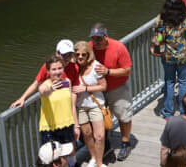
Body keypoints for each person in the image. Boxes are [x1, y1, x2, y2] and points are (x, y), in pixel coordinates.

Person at [89, 24, 134, 161]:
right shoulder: (89, 48)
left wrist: (108, 71)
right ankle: (105, 144)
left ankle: (125, 142)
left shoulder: (118, 47)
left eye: (98, 39)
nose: (96, 42)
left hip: (117, 87)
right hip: (98, 89)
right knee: (100, 117)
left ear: (106, 37)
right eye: (93, 39)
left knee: (123, 115)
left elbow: (127, 70)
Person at [153, 0, 186, 118]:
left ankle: (168, 111)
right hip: (184, 56)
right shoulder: (185, 20)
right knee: (183, 82)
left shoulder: (162, 20)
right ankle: (183, 110)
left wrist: (161, 41)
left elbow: (157, 35)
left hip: (167, 56)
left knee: (169, 81)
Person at [11, 39, 80, 108]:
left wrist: (72, 107)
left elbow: (74, 90)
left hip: (66, 106)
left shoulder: (75, 67)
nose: (67, 58)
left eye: (70, 55)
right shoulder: (47, 67)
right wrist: (22, 98)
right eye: (64, 55)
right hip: (50, 106)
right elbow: (36, 84)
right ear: (57, 53)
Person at [37, 55, 78, 161]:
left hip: (67, 125)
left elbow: (71, 105)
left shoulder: (67, 82)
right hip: (50, 128)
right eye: (54, 69)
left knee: (68, 154)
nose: (57, 72)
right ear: (48, 71)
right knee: (53, 158)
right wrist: (51, 89)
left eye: (60, 68)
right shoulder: (45, 85)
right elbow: (43, 92)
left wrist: (76, 126)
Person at [74, 40, 108, 167]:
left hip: (95, 105)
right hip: (80, 106)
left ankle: (99, 163)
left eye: (83, 54)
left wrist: (86, 89)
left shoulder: (96, 66)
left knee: (99, 136)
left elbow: (103, 86)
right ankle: (93, 157)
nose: (80, 57)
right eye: (77, 54)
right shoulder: (73, 67)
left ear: (88, 55)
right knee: (87, 134)